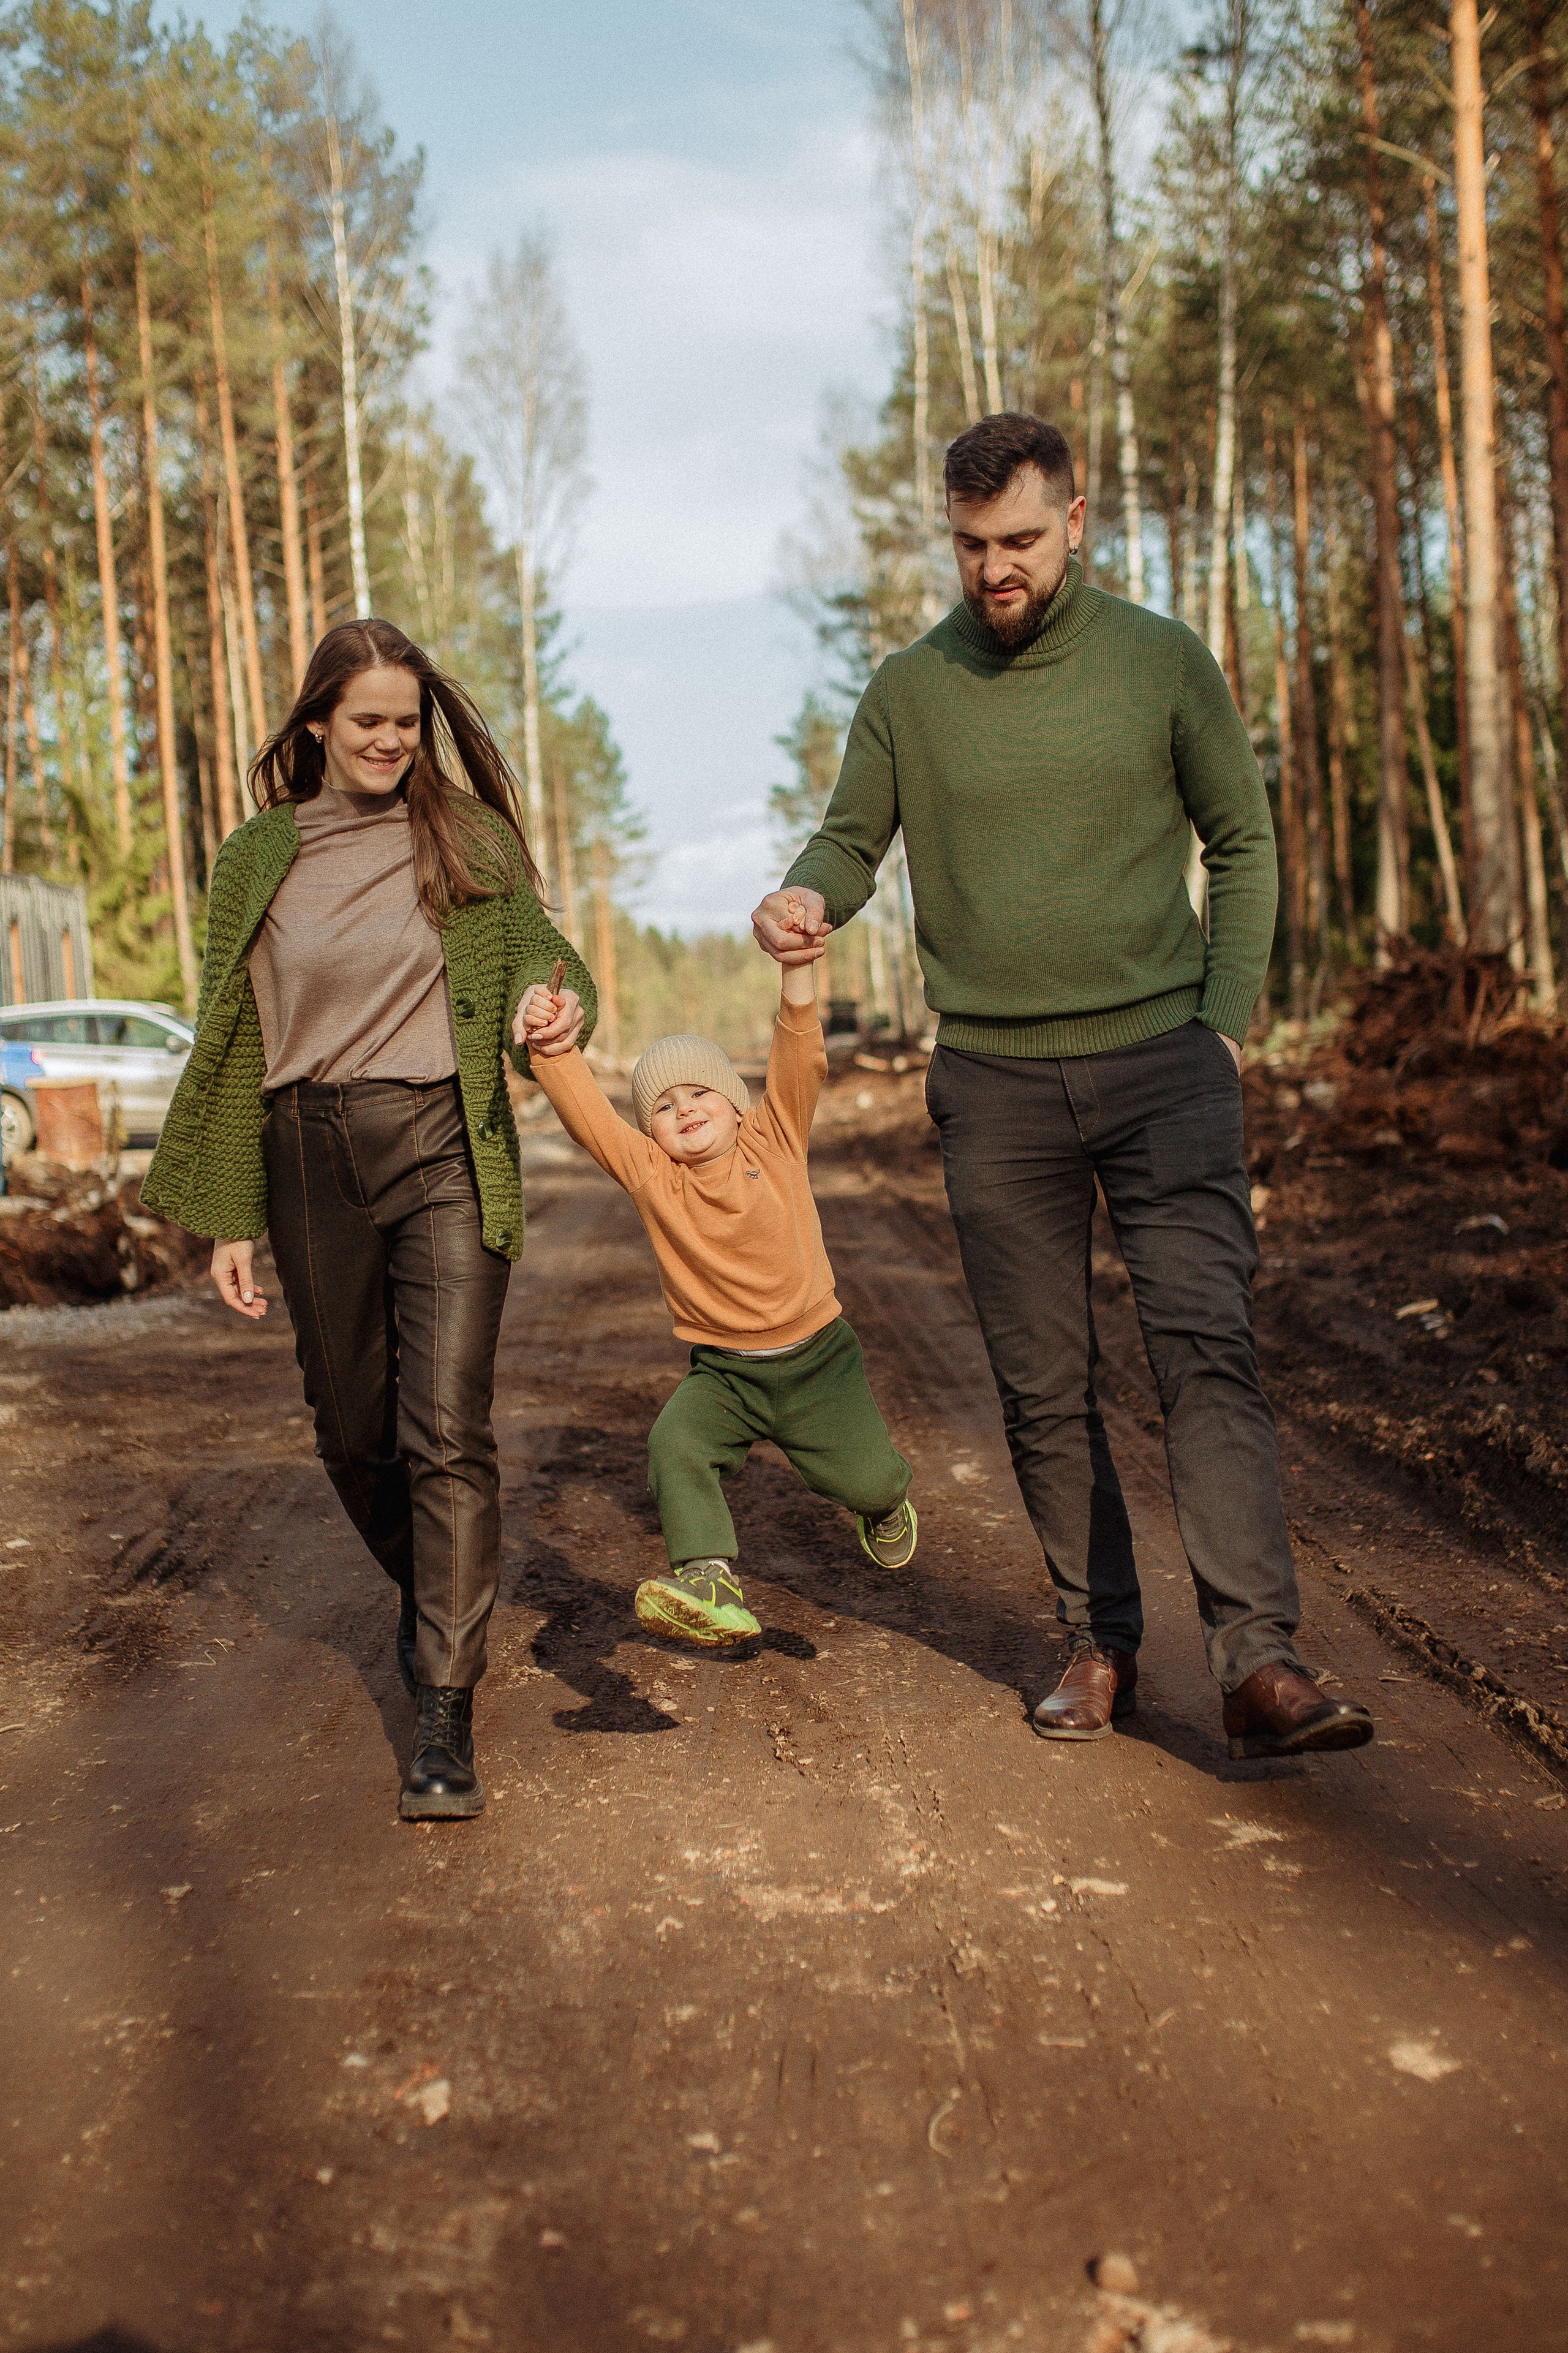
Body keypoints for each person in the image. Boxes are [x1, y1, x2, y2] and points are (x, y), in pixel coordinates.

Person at [751, 412, 1373, 1761]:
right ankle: (1097, 1643)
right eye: (972, 546)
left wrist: (1219, 1027)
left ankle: (1257, 1660)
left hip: (1167, 1070)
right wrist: (804, 896)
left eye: (1021, 540)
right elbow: (850, 839)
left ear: (1075, 520)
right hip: (992, 1086)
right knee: (1041, 1379)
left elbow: (1243, 843)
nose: (996, 569)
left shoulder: (1158, 660)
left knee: (1204, 1351)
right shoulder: (909, 690)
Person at [144, 619, 594, 1821]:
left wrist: (555, 1012)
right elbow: (232, 1041)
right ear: (314, 726)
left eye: (408, 720)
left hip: (445, 1145)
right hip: (304, 1153)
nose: (392, 739)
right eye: (368, 721)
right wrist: (230, 1212)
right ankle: (444, 1587)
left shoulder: (468, 837)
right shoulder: (259, 857)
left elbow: (555, 964)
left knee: (447, 1427)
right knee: (352, 1430)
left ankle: (441, 1709)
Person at [518, 918, 916, 1647]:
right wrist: (553, 1049)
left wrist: (798, 971)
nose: (683, 1111)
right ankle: (706, 1577)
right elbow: (591, 1122)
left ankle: (886, 1503)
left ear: (737, 1103)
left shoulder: (777, 1136)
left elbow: (800, 1052)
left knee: (868, 1482)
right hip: (724, 1374)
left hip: (818, 1363)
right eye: (663, 1108)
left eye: (699, 1094)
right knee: (675, 1442)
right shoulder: (652, 1177)